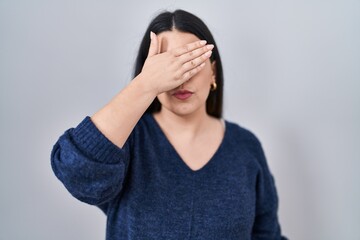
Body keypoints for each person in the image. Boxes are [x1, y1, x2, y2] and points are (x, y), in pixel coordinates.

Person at [51, 9, 288, 240]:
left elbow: (266, 235)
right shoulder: (127, 140)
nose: (181, 78)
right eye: (167, 66)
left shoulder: (246, 146)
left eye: (192, 62)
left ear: (213, 71)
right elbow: (76, 172)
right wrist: (144, 86)